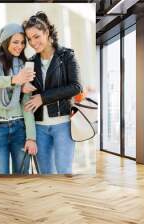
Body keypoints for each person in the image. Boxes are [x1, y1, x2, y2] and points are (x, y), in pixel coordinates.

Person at [22, 12, 82, 174]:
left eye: (36, 36)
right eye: (29, 39)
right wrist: (23, 88)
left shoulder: (66, 56)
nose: (33, 43)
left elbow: (76, 87)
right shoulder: (31, 62)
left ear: (47, 32)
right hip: (39, 127)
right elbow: (26, 94)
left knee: (64, 172)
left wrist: (43, 98)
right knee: (45, 174)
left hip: (63, 124)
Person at [0, 23, 37, 174]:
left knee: (22, 179)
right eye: (15, 42)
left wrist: (31, 137)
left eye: (23, 42)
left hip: (19, 127)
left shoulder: (24, 65)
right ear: (5, 42)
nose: (20, 46)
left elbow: (27, 104)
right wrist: (15, 81)